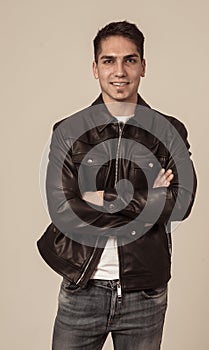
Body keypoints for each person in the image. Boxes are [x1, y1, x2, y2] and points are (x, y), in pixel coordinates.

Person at [37, 20, 197, 350]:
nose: (119, 71)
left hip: (145, 291)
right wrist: (147, 198)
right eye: (109, 60)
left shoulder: (170, 131)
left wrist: (97, 199)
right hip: (83, 288)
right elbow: (64, 211)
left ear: (143, 66)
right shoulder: (68, 131)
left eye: (130, 59)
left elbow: (180, 203)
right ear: (95, 68)